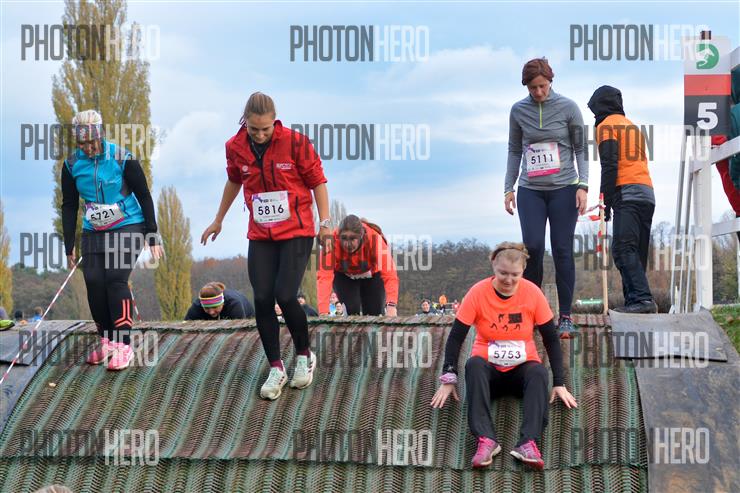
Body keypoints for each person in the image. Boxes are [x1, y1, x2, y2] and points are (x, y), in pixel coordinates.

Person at [200, 92, 330, 401]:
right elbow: (234, 181)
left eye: (265, 129)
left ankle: (304, 355)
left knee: (285, 294)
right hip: (261, 233)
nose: (259, 135)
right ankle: (276, 367)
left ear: (275, 122)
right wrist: (218, 219)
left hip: (297, 230)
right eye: (254, 129)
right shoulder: (235, 147)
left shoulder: (296, 143)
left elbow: (318, 182)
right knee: (261, 298)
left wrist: (325, 222)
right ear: (244, 122)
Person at [431, 242, 577, 470]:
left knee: (539, 371)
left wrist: (559, 382)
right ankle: (486, 440)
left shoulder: (533, 293)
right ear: (493, 267)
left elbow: (550, 338)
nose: (508, 280)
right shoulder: (477, 293)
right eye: (503, 273)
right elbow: (456, 337)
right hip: (489, 374)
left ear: (523, 270)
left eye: (515, 275)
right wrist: (448, 377)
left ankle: (528, 443)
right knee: (474, 364)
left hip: (522, 371)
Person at [62, 109, 162, 371]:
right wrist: (68, 244)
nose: (88, 148)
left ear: (101, 135)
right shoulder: (72, 165)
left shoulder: (122, 158)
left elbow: (144, 195)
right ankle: (107, 341)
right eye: (82, 144)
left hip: (128, 223)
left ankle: (124, 345)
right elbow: (69, 205)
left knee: (115, 278)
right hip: (94, 229)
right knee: (94, 282)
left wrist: (152, 234)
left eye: (92, 142)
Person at [504, 58, 588, 338]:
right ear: (525, 86)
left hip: (564, 188)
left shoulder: (569, 108)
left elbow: (580, 149)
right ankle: (534, 314)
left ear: (551, 81)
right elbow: (514, 150)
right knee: (534, 247)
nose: (538, 92)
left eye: (542, 86)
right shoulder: (518, 110)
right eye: (532, 88)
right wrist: (508, 187)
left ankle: (565, 316)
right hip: (531, 190)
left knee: (562, 248)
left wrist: (583, 185)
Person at [588, 85, 657, 313]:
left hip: (627, 191)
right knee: (636, 251)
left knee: (622, 248)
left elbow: (609, 165)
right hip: (647, 193)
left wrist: (605, 202)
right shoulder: (632, 126)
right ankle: (634, 301)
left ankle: (642, 300)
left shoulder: (606, 126)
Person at [317, 215, 398, 316]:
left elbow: (390, 274)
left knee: (374, 313)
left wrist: (391, 306)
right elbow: (324, 277)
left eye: (352, 239)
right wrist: (323, 311)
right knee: (351, 310)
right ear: (338, 236)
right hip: (344, 276)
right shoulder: (331, 241)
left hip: (372, 275)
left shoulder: (375, 239)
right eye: (344, 238)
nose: (348, 244)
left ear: (361, 236)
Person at [185, 282, 255, 320]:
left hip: (248, 318)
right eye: (206, 308)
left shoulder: (234, 305)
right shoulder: (196, 306)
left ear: (222, 303)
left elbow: (240, 331)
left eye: (215, 307)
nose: (211, 312)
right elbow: (185, 327)